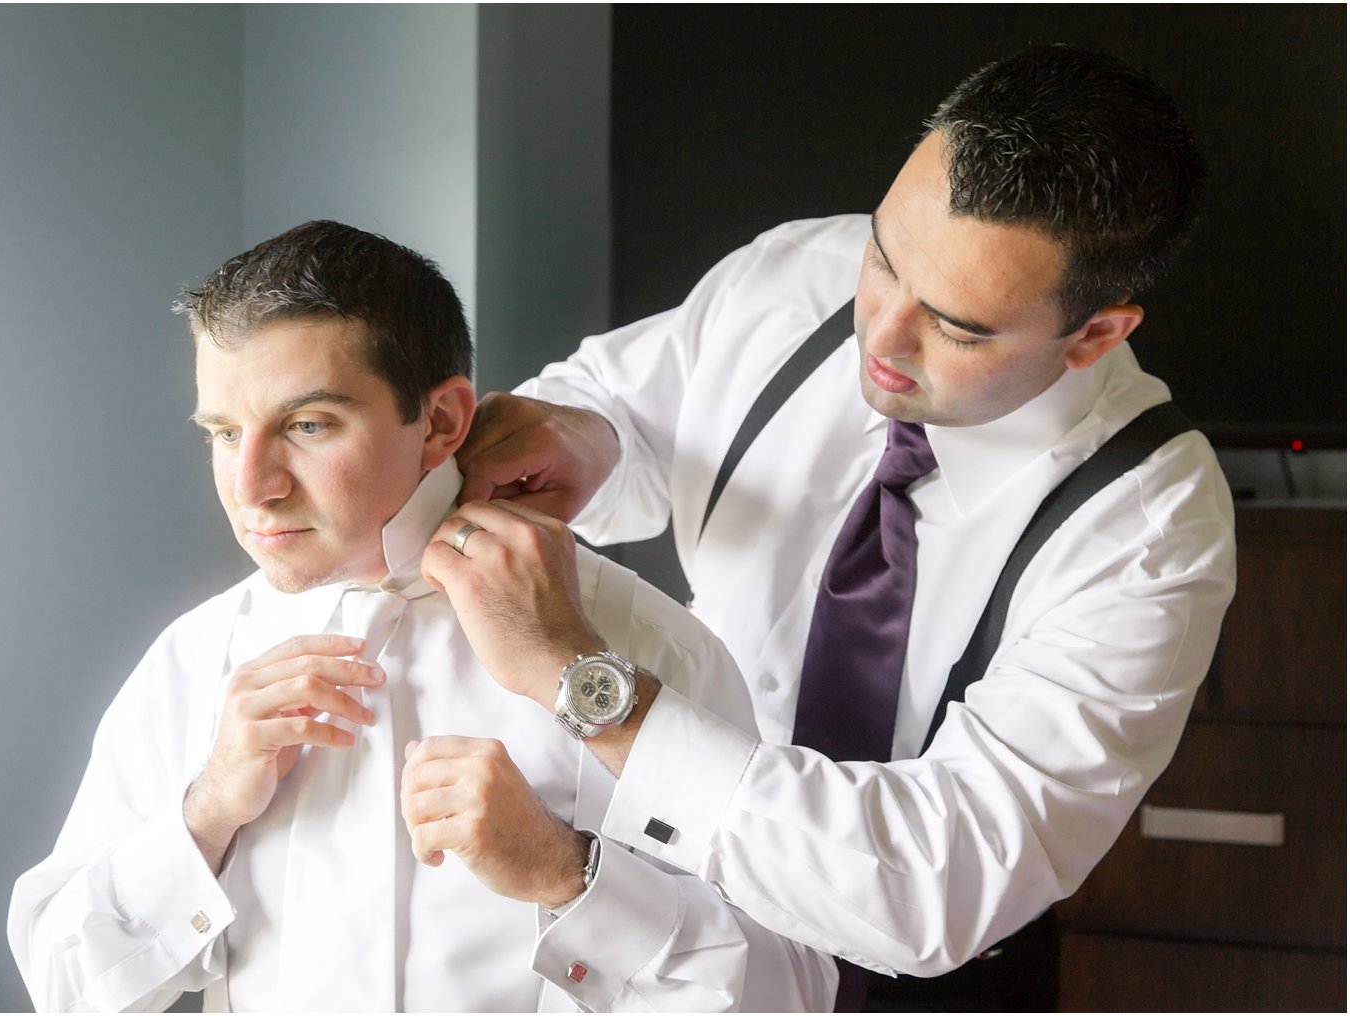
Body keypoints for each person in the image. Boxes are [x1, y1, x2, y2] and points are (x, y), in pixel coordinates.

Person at [429, 45, 1237, 1011]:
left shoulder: (1150, 527)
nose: (881, 335)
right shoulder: (800, 272)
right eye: (885, 260)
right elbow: (637, 406)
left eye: (959, 327)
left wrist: (587, 688)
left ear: (1096, 335)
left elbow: (935, 884)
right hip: (666, 933)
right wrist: (588, 438)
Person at [6, 221, 835, 1012]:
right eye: (224, 433)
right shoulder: (193, 664)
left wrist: (569, 875)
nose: (252, 485)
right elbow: (64, 985)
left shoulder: (643, 651)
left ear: (440, 421)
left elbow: (791, 997)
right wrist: (208, 810)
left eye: (307, 425)